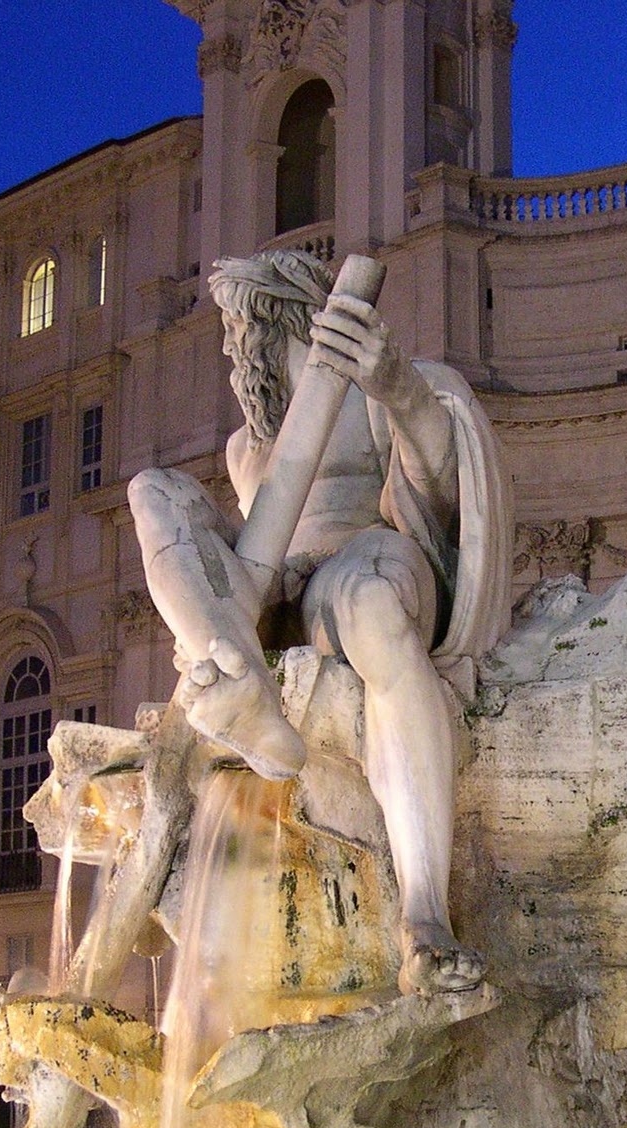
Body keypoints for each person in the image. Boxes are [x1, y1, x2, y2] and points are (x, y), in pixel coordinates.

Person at [128, 250, 511, 996]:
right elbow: (252, 553)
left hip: (365, 557)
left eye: (265, 333)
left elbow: (444, 491)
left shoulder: (373, 388)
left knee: (371, 603)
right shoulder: (246, 446)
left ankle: (424, 911)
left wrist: (397, 385)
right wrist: (233, 603)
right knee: (154, 490)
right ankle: (238, 678)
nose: (252, 356)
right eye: (245, 342)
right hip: (277, 594)